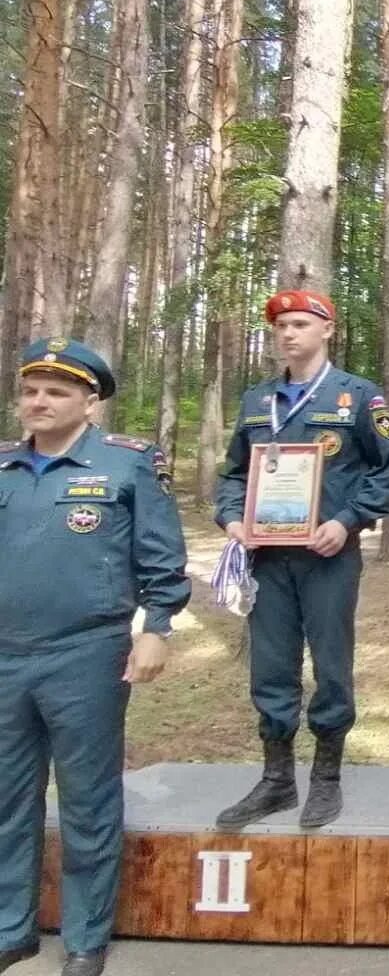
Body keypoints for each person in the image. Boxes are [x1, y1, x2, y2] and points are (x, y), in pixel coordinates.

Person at [0, 339, 189, 976]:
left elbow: (162, 557)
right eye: (30, 390)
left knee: (87, 800)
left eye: (56, 391)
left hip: (87, 654)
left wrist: (156, 627)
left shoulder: (127, 465)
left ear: (90, 402)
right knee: (7, 799)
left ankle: (85, 936)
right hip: (4, 659)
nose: (39, 402)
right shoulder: (1, 467)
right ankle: (11, 929)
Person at [214, 291, 389, 830]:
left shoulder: (357, 398)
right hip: (267, 558)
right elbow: (232, 473)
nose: (288, 333)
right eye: (280, 325)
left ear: (328, 330)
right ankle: (277, 780)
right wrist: (232, 518)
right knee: (271, 666)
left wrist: (346, 520)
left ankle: (326, 779)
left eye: (300, 323)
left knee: (331, 664)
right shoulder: (258, 401)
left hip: (327, 556)